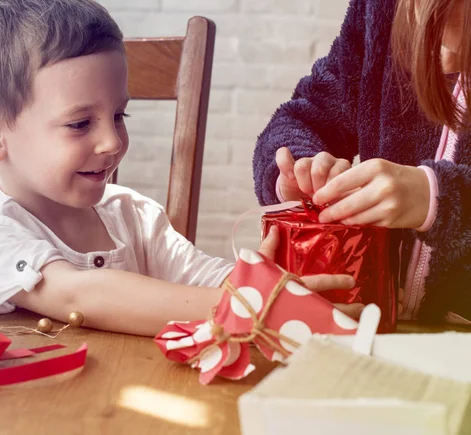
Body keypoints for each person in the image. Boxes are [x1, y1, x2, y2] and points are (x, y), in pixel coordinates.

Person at [253, 0, 471, 418]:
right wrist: (296, 170)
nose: (443, 60)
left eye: (467, 33)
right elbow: (307, 115)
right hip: (376, 345)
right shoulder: (379, 8)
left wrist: (444, 203)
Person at [0, 0, 358, 338]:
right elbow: (76, 294)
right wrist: (249, 302)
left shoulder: (134, 216)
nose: (112, 141)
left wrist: (266, 281)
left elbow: (206, 278)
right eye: (80, 123)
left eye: (119, 116)